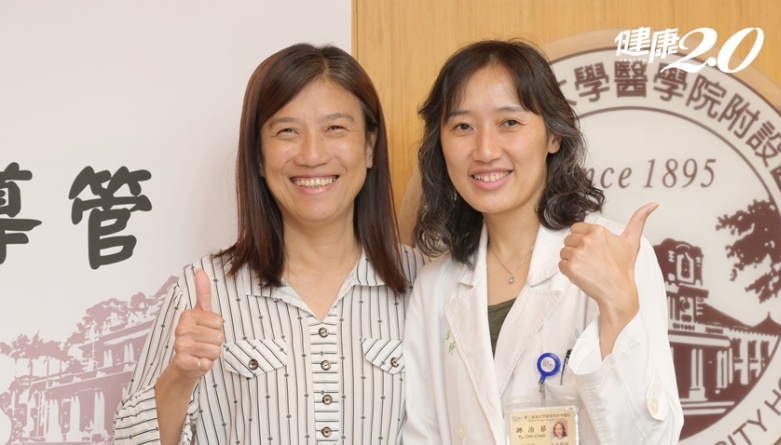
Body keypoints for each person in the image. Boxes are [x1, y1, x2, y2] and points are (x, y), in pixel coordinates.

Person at [113, 43, 423, 445]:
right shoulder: (203, 289)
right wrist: (181, 375)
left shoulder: (425, 283)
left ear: (369, 147)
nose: (312, 154)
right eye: (287, 131)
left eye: (335, 128)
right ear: (258, 156)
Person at [402, 39, 683, 444]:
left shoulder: (616, 255)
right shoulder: (435, 286)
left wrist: (619, 304)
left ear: (553, 135)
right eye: (463, 126)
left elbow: (654, 438)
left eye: (509, 123)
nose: (484, 150)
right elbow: (423, 434)